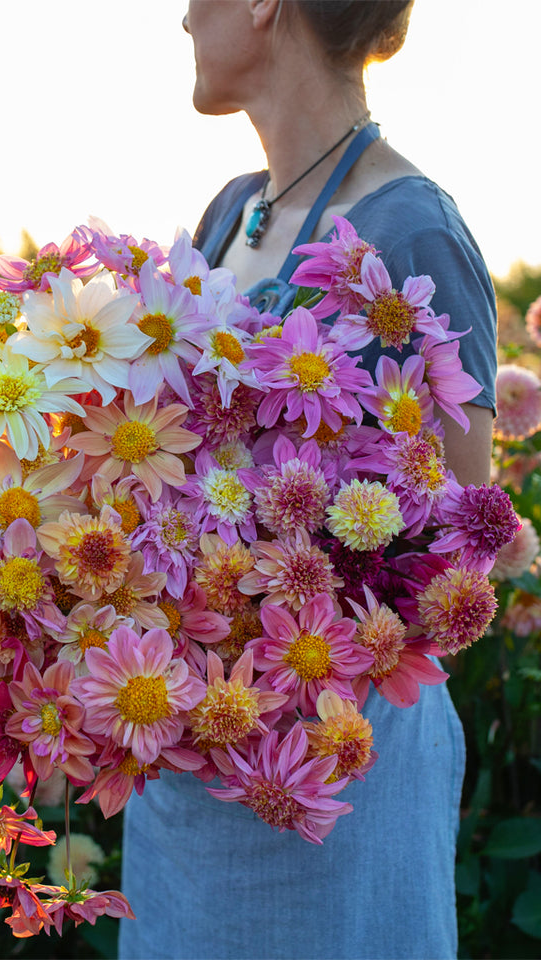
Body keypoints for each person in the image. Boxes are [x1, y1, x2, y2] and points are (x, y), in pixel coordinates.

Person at [119, 2, 497, 958]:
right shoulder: (229, 208)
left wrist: (291, 610)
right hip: (195, 769)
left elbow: (461, 556)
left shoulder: (412, 234)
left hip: (330, 777)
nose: (181, 13)